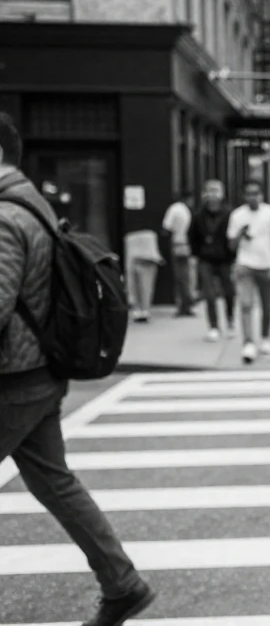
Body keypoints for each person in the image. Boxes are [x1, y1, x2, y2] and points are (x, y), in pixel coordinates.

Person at [0, 112, 157, 625]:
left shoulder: (6, 215)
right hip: (40, 370)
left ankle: (124, 584)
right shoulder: (34, 204)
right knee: (54, 482)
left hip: (15, 376)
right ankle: (123, 584)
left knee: (56, 482)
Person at [226, 180, 270, 363]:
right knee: (246, 304)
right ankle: (248, 342)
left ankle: (265, 337)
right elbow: (231, 245)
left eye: (256, 193)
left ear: (261, 195)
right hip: (245, 264)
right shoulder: (237, 216)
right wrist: (239, 234)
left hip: (266, 264)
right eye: (249, 193)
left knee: (266, 305)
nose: (253, 197)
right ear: (244, 196)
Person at [188, 179, 237, 342]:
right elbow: (192, 237)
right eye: (209, 191)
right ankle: (214, 326)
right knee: (209, 294)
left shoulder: (229, 214)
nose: (212, 195)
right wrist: (196, 255)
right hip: (205, 259)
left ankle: (230, 320)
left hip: (225, 259)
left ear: (222, 194)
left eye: (216, 191)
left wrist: (233, 256)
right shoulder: (198, 215)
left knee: (229, 291)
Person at [162, 191, 196, 317]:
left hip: (177, 243)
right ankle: (186, 304)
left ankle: (183, 305)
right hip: (186, 244)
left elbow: (166, 227)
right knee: (185, 276)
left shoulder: (175, 209)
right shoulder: (185, 210)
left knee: (180, 277)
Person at [123, 229, 164, 323]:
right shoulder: (149, 236)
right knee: (144, 285)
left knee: (139, 285)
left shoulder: (131, 238)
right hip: (144, 256)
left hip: (137, 255)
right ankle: (143, 309)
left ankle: (140, 309)